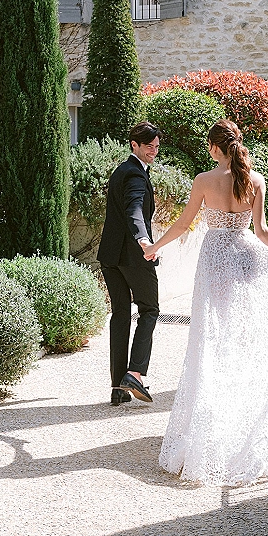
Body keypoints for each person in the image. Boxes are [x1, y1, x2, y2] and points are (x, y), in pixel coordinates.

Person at [144, 119, 268, 485]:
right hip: (247, 258)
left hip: (215, 262)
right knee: (242, 340)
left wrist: (155, 247)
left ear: (214, 147)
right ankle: (244, 415)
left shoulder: (204, 181)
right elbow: (262, 232)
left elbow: (183, 224)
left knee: (212, 342)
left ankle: (215, 421)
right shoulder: (255, 180)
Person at [98, 121, 162, 406]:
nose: (154, 152)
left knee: (121, 316)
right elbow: (135, 209)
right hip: (135, 256)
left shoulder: (120, 171)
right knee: (150, 309)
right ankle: (133, 375)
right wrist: (144, 241)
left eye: (157, 147)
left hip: (110, 257)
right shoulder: (135, 174)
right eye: (149, 147)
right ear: (134, 145)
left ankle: (117, 390)